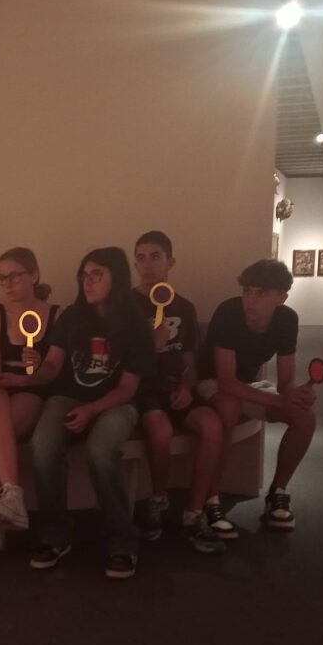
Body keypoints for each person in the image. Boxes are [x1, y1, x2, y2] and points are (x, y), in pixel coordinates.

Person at [11, 247, 153, 580]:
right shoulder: (72, 317)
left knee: (101, 450)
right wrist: (26, 375)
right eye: (84, 275)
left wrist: (91, 409)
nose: (87, 282)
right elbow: (51, 368)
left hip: (117, 403)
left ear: (116, 278)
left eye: (96, 275)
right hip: (67, 398)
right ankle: (54, 536)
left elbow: (127, 389)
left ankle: (122, 541)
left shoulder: (135, 324)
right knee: (43, 446)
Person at [196, 259, 316, 532]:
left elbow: (286, 382)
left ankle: (278, 492)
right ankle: (211, 499)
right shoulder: (228, 312)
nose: (250, 300)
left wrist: (298, 395)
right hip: (210, 382)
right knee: (228, 408)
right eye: (247, 291)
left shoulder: (287, 319)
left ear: (281, 297)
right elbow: (225, 382)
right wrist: (279, 400)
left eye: (261, 293)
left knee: (305, 417)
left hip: (249, 384)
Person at [131, 231, 226, 553]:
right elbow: (119, 363)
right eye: (141, 258)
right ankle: (158, 500)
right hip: (142, 390)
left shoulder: (184, 307)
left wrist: (186, 387)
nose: (147, 264)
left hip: (175, 386)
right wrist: (151, 346)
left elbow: (189, 360)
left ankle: (194, 513)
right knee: (160, 429)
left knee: (212, 425)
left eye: (155, 257)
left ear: (170, 262)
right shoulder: (125, 306)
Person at [0, 248, 60, 551]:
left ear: (34, 276)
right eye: (2, 278)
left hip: (30, 390)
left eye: (15, 276)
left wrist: (36, 366)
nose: (7, 283)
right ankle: (13, 495)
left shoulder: (57, 315)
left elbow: (54, 373)